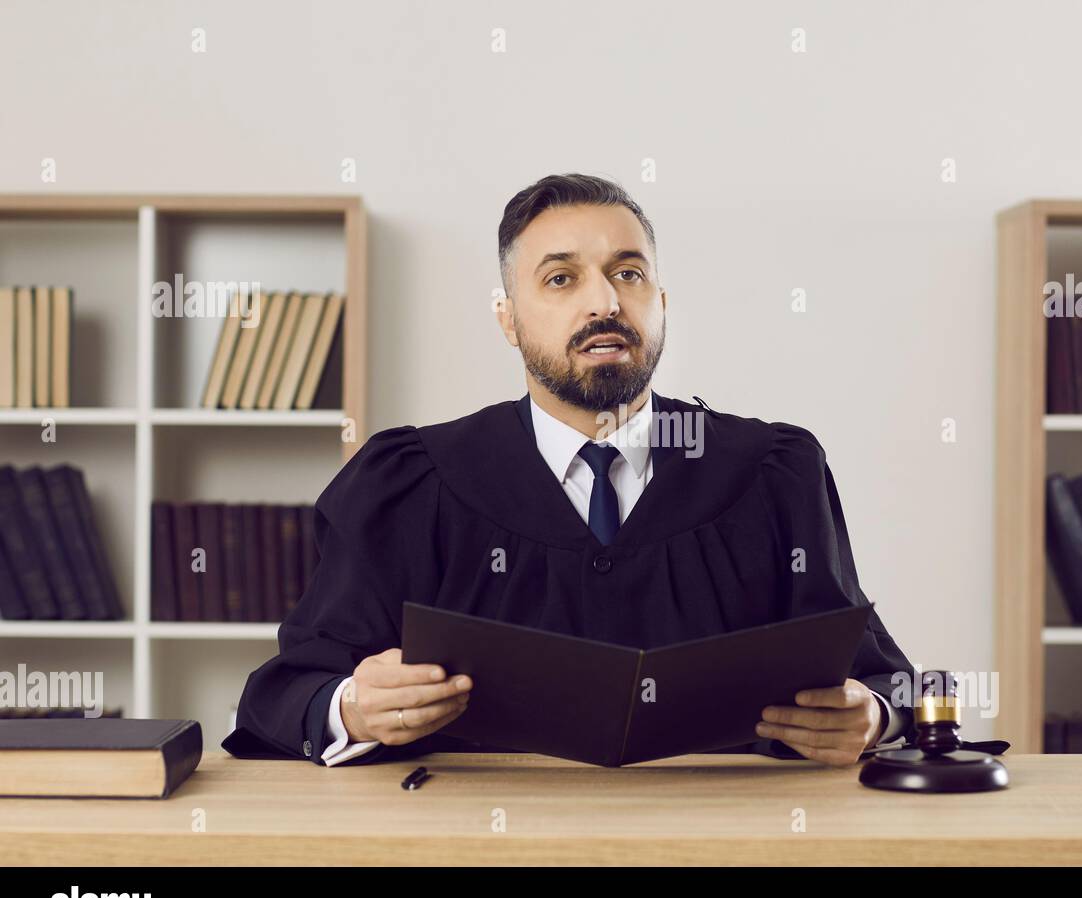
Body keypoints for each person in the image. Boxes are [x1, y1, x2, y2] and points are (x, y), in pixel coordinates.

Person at [222, 173, 916, 769]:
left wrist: (874, 717)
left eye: (629, 273)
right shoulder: (406, 484)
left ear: (661, 305)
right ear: (508, 319)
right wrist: (354, 707)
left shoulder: (775, 474)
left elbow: (886, 681)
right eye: (561, 278)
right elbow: (285, 691)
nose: (604, 303)